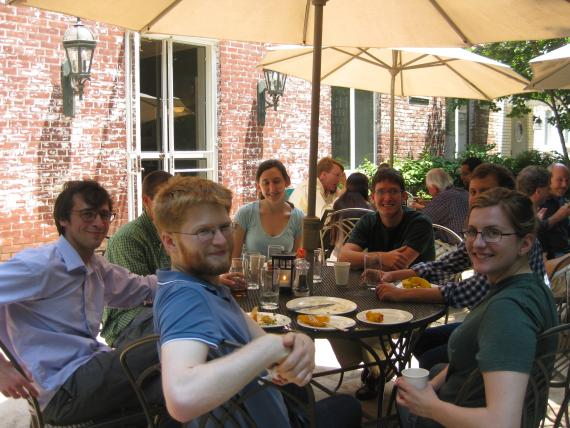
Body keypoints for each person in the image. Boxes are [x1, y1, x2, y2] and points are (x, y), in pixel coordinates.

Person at [152, 176, 361, 427]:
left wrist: (297, 343)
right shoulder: (186, 297)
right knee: (347, 407)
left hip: (275, 412)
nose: (220, 240)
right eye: (204, 231)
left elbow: (266, 342)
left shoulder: (208, 286)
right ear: (170, 241)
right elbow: (181, 397)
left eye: (224, 226)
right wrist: (269, 349)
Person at [0, 180, 166, 426]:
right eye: (88, 214)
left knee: (180, 393)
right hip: (64, 387)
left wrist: (198, 281)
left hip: (90, 373)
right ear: (64, 219)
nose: (99, 223)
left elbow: (141, 287)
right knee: (176, 337)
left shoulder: (94, 266)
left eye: (104, 214)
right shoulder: (42, 265)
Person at [396, 188, 558, 428]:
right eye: (472, 231)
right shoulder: (530, 285)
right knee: (432, 370)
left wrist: (429, 406)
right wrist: (432, 386)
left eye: (493, 233)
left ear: (525, 244)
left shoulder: (508, 311)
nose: (477, 243)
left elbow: (503, 423)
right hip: (471, 396)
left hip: (456, 418)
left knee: (389, 399)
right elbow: (476, 357)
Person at [373, 164, 547, 369]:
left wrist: (400, 294)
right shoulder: (486, 234)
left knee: (431, 361)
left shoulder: (514, 250)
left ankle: (453, 387)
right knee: (419, 341)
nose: (475, 198)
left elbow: (465, 291)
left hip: (504, 335)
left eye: (485, 191)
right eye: (473, 192)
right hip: (485, 322)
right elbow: (447, 264)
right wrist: (394, 275)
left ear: (506, 194)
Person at [101, 170, 172, 349]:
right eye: (164, 200)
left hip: (162, 310)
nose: (172, 207)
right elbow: (139, 296)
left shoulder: (174, 232)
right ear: (146, 201)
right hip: (125, 321)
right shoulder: (129, 237)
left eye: (176, 199)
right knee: (183, 325)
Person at [338, 167, 435, 270]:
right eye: (381, 192)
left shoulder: (420, 223)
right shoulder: (368, 221)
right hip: (377, 284)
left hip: (417, 284)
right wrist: (383, 257)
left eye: (393, 191)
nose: (387, 198)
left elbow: (399, 265)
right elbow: (343, 258)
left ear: (404, 196)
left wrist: (362, 260)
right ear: (373, 197)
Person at [233, 159, 303, 257]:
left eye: (276, 181)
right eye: (266, 183)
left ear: (287, 182)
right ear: (258, 186)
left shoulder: (298, 217)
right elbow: (233, 260)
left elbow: (297, 261)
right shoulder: (245, 213)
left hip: (284, 273)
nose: (272, 188)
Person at [324, 172, 374, 258]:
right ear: (366, 188)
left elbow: (326, 227)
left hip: (336, 257)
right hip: (362, 258)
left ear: (347, 186)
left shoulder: (337, 204)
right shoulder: (369, 209)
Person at [415, 168, 468, 239]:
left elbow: (422, 220)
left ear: (434, 186)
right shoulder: (460, 191)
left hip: (456, 241)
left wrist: (415, 209)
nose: (428, 190)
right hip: (468, 237)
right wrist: (426, 204)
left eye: (428, 187)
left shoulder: (445, 197)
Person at [539, 163, 570, 259]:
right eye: (560, 180)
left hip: (565, 253)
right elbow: (534, 230)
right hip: (548, 258)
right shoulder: (538, 201)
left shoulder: (560, 199)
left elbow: (565, 229)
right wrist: (558, 216)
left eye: (567, 180)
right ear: (548, 180)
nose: (564, 185)